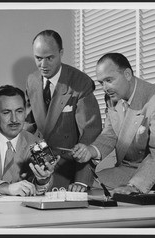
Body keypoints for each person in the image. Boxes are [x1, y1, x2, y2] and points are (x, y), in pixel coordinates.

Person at [71, 52, 155, 194]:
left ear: (127, 74)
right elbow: (109, 133)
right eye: (101, 82)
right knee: (86, 185)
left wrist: (134, 186)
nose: (105, 88)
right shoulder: (112, 97)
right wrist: (91, 151)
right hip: (129, 168)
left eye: (109, 80)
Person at [25, 29, 102, 189]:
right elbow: (29, 128)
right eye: (38, 58)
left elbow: (90, 134)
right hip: (38, 168)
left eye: (49, 58)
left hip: (70, 173)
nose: (43, 65)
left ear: (61, 53)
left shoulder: (81, 83)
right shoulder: (32, 80)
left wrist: (82, 180)